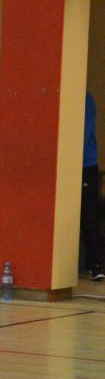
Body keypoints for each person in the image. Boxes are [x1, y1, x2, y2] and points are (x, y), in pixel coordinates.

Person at [81, 92, 104, 281]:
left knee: (89, 215)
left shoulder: (87, 101)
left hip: (86, 164)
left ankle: (96, 264)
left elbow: (83, 134)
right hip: (65, 164)